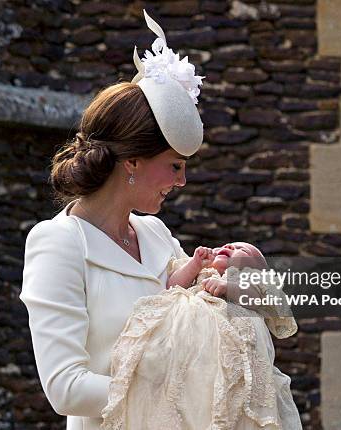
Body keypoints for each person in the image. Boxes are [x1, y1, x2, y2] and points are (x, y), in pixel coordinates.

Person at [20, 10, 205, 430]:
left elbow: (197, 321)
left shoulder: (156, 233)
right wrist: (173, 390)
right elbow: (65, 387)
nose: (182, 182)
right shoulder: (58, 242)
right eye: (174, 167)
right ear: (133, 162)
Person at [100, 243, 302, 429]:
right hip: (187, 344)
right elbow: (171, 284)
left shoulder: (249, 282)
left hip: (228, 347)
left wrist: (228, 288)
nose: (230, 245)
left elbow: (256, 298)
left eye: (243, 250)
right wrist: (194, 264)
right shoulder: (202, 271)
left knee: (232, 389)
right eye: (225, 245)